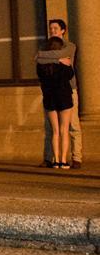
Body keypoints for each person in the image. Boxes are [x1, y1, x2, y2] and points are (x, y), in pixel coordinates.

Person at [40, 19, 82, 169]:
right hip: (51, 92)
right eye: (51, 28)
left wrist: (46, 57)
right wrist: (57, 59)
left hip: (69, 90)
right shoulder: (46, 48)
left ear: (63, 30)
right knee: (50, 127)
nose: (52, 31)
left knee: (73, 124)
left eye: (55, 28)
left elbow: (43, 58)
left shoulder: (69, 46)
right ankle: (49, 158)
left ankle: (76, 157)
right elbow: (38, 58)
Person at [36, 36, 74, 169]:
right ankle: (63, 160)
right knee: (65, 130)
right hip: (64, 96)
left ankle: (56, 160)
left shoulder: (41, 65)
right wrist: (60, 61)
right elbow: (70, 75)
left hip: (49, 97)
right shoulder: (64, 63)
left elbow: (40, 76)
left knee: (55, 131)